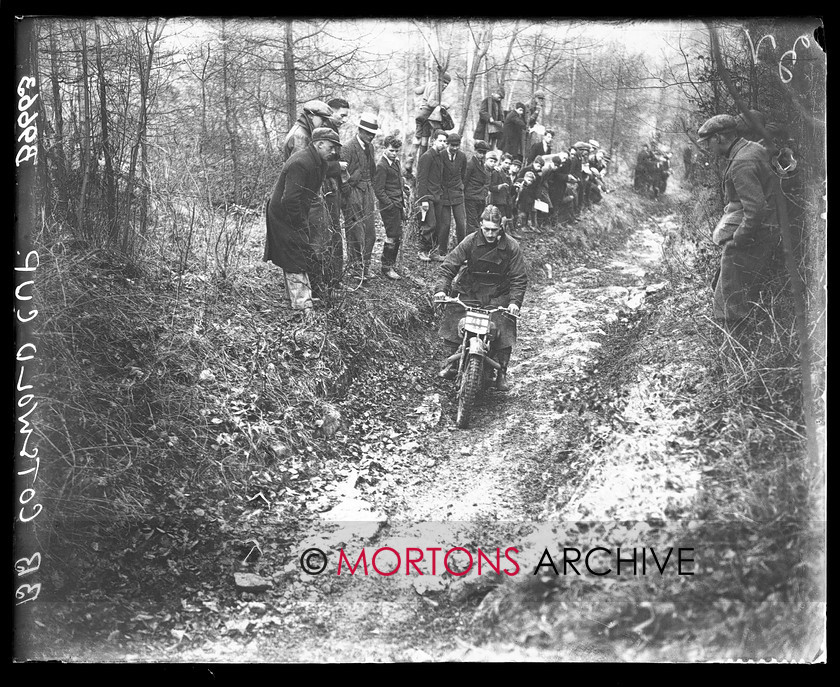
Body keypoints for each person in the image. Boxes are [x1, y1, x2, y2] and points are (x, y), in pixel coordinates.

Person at [696, 113, 779, 329]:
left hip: (756, 236)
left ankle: (734, 345)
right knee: (728, 290)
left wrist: (737, 240)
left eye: (708, 142)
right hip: (763, 231)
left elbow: (755, 209)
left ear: (720, 138)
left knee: (732, 302)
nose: (708, 148)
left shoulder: (741, 161)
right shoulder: (750, 149)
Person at [433, 204, 528, 392]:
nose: (490, 234)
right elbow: (449, 266)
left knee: (504, 323)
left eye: (494, 230)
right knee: (454, 315)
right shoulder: (470, 241)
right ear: (480, 226)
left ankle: (501, 372)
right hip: (470, 290)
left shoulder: (511, 247)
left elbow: (519, 278)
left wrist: (514, 302)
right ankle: (452, 363)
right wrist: (442, 290)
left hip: (498, 293)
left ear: (500, 227)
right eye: (486, 229)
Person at [264, 128, 343, 319]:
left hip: (298, 212)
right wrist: (299, 223)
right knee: (294, 256)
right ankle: (302, 306)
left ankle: (303, 296)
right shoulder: (300, 162)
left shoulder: (320, 163)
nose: (333, 152)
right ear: (319, 144)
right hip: (284, 214)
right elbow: (290, 199)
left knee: (302, 253)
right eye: (331, 147)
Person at [277, 99, 346, 297]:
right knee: (311, 243)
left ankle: (315, 287)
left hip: (306, 196)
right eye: (322, 119)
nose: (324, 123)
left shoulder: (306, 132)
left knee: (316, 241)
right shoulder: (300, 137)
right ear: (311, 116)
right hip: (302, 199)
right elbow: (300, 173)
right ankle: (311, 291)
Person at [341, 113, 380, 282]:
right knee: (355, 230)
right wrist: (348, 193)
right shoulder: (348, 148)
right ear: (359, 130)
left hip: (367, 191)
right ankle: (355, 267)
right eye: (367, 132)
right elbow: (342, 175)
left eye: (373, 133)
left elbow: (372, 170)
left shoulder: (370, 147)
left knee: (370, 231)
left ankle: (366, 264)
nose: (370, 136)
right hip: (353, 192)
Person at [373, 134, 408, 280]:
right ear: (384, 148)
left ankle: (391, 264)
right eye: (392, 150)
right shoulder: (382, 165)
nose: (394, 154)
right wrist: (390, 204)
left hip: (398, 203)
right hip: (390, 206)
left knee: (397, 234)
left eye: (397, 151)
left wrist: (403, 188)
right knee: (392, 235)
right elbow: (379, 190)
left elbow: (397, 180)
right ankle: (386, 267)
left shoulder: (395, 162)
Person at [416, 129, 448, 261]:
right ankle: (422, 250)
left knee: (439, 224)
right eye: (440, 141)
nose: (443, 144)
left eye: (445, 141)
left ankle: (433, 251)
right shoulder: (427, 156)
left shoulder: (440, 156)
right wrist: (423, 199)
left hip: (437, 196)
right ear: (433, 141)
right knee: (430, 224)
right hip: (427, 196)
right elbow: (421, 179)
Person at [413, 72, 453, 156]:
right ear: (439, 80)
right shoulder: (436, 90)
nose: (445, 85)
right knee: (429, 138)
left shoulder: (430, 84)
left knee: (419, 138)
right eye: (444, 82)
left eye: (447, 83)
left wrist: (421, 87)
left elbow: (417, 91)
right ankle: (423, 159)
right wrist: (443, 104)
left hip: (420, 114)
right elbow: (430, 102)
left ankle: (413, 159)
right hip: (427, 115)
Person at [440, 131, 469, 247]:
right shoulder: (441, 155)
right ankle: (442, 250)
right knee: (445, 224)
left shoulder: (462, 156)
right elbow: (438, 174)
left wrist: (461, 186)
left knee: (461, 224)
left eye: (457, 146)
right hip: (444, 193)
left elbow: (464, 174)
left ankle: (461, 250)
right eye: (452, 145)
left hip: (457, 193)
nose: (455, 148)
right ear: (447, 144)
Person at [463, 140, 492, 234]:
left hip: (480, 197)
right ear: (475, 151)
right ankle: (470, 244)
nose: (482, 155)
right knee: (472, 222)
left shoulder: (482, 164)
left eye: (484, 153)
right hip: (471, 197)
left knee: (479, 220)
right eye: (480, 152)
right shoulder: (470, 164)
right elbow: (465, 181)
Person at [489, 153, 514, 232]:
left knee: (506, 219)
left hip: (506, 201)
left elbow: (509, 190)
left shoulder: (507, 174)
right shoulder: (496, 172)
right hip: (497, 200)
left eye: (509, 163)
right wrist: (500, 186)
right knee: (502, 220)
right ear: (501, 162)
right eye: (506, 163)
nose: (507, 165)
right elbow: (491, 187)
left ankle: (503, 235)